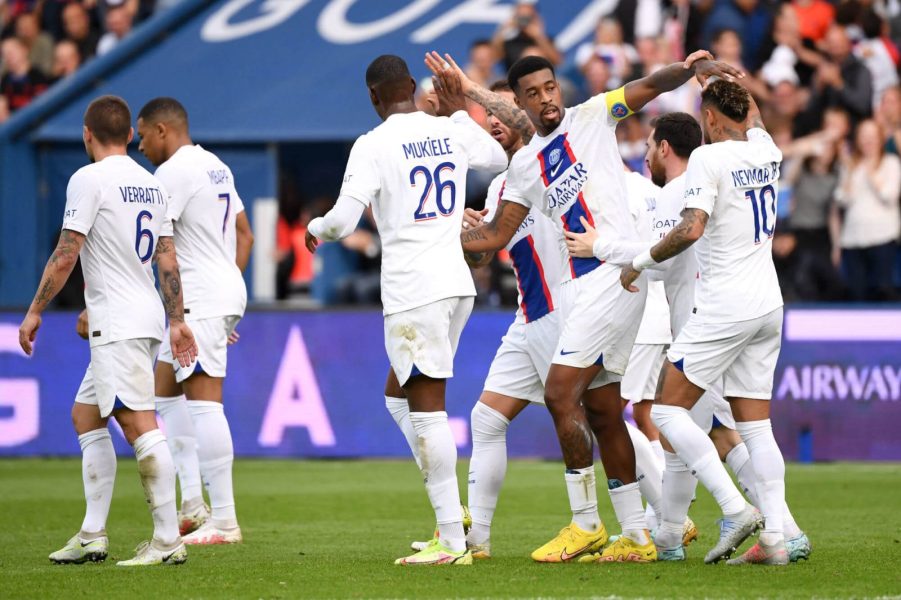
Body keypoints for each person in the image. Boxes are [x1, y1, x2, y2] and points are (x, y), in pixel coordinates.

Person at [458, 51, 740, 563]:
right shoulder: (523, 167)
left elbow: (647, 86)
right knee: (607, 413)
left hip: (615, 276)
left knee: (560, 392)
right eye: (534, 93)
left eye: (550, 88)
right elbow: (498, 232)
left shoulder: (592, 115)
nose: (546, 99)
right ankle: (636, 535)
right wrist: (450, 237)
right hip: (582, 291)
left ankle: (585, 523)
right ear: (521, 102)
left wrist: (685, 69)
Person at [571, 110, 810, 563]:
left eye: (648, 147)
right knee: (710, 432)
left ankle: (753, 517)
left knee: (676, 418)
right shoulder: (733, 169)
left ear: (664, 147)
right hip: (736, 313)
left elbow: (664, 258)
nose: (645, 157)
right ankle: (670, 537)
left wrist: (600, 247)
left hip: (708, 323)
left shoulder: (680, 191)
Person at [304, 55, 506, 565]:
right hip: (457, 285)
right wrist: (459, 112)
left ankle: (451, 540)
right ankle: (450, 513)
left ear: (374, 98)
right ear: (412, 89)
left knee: (427, 410)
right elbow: (498, 158)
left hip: (414, 289)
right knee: (400, 398)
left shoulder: (372, 145)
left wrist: (316, 228)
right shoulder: (447, 129)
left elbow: (344, 222)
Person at [18, 95, 198, 566]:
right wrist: (176, 320)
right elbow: (167, 257)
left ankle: (166, 540)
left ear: (87, 133)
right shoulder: (151, 184)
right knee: (86, 415)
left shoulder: (88, 179)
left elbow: (67, 250)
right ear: (129, 136)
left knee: (138, 422)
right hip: (142, 314)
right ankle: (93, 533)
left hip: (117, 321)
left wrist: (36, 309)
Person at [620, 80, 794, 565]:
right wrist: (725, 75)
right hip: (768, 303)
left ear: (712, 119)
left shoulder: (708, 159)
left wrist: (640, 260)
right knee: (758, 429)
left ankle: (736, 509)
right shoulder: (766, 149)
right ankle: (776, 541)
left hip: (724, 305)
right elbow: (755, 113)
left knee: (668, 411)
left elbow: (691, 227)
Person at [136, 97, 254, 544]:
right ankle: (192, 505)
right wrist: (226, 292)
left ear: (163, 130)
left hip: (199, 296)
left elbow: (156, 246)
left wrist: (197, 305)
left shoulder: (171, 173)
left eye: (143, 135)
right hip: (215, 291)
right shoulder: (215, 165)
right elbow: (246, 234)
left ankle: (223, 521)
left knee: (205, 402)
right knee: (164, 394)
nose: (140, 146)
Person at [834, 118, 901, 301]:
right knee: (857, 294)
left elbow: (889, 196)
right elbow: (842, 199)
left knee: (883, 292)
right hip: (852, 240)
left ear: (880, 138)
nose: (868, 140)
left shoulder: (891, 163)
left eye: (872, 136)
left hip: (883, 238)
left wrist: (870, 171)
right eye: (863, 136)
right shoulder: (850, 165)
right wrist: (848, 171)